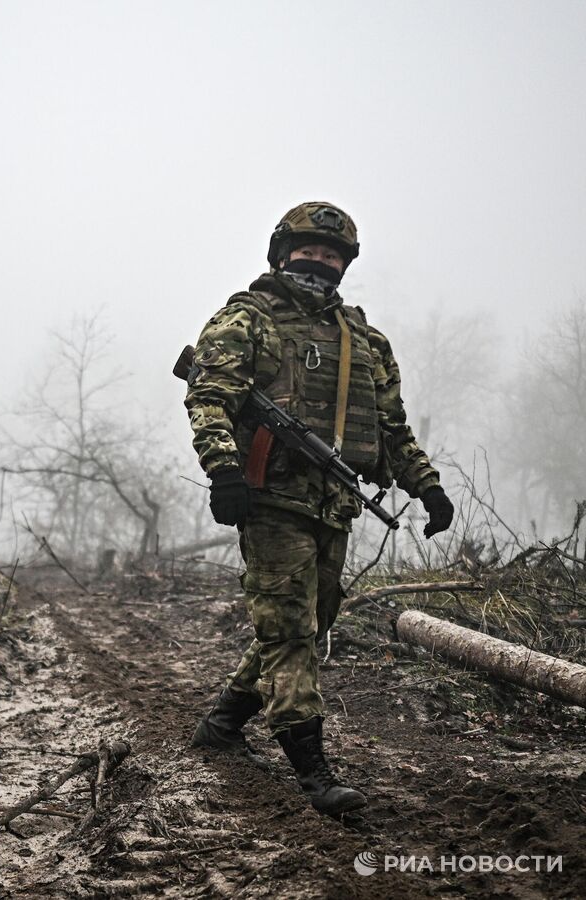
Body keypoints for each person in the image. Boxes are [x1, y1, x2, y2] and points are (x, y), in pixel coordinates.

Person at [183, 202, 454, 815]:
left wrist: (427, 487)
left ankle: (223, 725)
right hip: (272, 498)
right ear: (282, 253)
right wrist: (226, 471)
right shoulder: (246, 319)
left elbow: (392, 430)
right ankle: (313, 772)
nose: (321, 262)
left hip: (334, 503)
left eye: (333, 255)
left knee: (311, 621)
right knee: (289, 634)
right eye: (309, 251)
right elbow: (209, 397)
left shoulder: (365, 340)